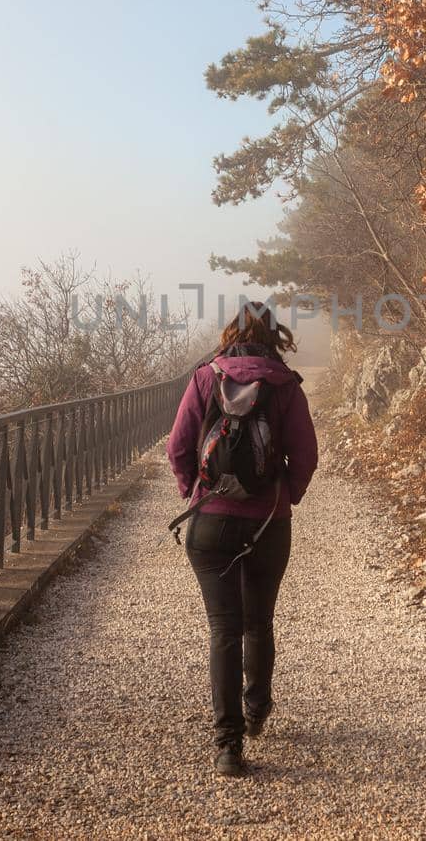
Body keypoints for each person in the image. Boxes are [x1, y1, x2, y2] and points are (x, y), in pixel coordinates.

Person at [166, 302, 318, 778]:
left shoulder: (205, 377)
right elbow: (306, 455)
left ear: (231, 334)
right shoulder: (285, 386)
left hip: (210, 523)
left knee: (223, 630)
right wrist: (282, 494)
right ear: (275, 337)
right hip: (268, 522)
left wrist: (195, 490)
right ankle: (256, 707)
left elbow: (176, 447)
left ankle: (228, 745)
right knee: (258, 621)